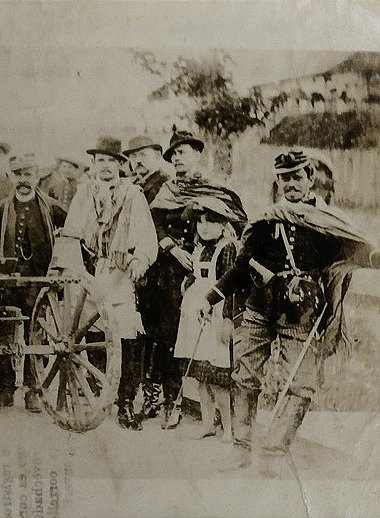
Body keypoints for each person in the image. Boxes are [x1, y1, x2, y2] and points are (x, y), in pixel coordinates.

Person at [199, 150, 380, 475]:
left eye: (296, 177)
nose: (291, 184)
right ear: (278, 181)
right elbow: (242, 266)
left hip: (302, 312)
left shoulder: (325, 221)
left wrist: (376, 258)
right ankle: (241, 448)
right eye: (284, 178)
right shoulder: (267, 219)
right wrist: (211, 297)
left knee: (302, 384)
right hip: (260, 308)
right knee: (245, 376)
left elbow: (350, 247)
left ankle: (274, 450)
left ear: (309, 179)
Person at [148, 128, 247, 428]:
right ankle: (172, 400)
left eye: (183, 152)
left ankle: (219, 408)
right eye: (173, 155)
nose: (178, 158)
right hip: (172, 271)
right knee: (170, 336)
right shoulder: (167, 191)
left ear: (196, 154)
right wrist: (173, 249)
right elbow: (153, 222)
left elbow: (239, 222)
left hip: (212, 271)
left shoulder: (215, 188)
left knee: (212, 342)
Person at [61, 136, 158, 430]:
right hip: (89, 270)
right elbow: (71, 233)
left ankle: (126, 402)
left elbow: (145, 235)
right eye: (100, 160)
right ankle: (101, 391)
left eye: (111, 161)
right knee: (91, 331)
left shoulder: (132, 195)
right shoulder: (84, 193)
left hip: (118, 271)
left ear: (120, 165)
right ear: (93, 164)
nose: (105, 166)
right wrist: (69, 267)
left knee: (126, 333)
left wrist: (140, 260)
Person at [0, 153, 68, 416]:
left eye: (28, 174)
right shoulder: (1, 210)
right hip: (7, 284)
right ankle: (6, 388)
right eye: (18, 175)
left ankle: (33, 390)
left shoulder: (52, 208)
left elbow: (71, 239)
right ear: (11, 176)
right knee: (3, 332)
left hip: (39, 284)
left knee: (35, 334)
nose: (23, 180)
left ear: (37, 176)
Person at [172, 198, 243, 442]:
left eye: (210, 222)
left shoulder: (228, 248)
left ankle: (229, 428)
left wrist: (227, 320)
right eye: (200, 222)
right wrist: (188, 284)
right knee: (201, 374)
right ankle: (207, 423)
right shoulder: (200, 248)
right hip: (195, 313)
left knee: (218, 377)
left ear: (223, 225)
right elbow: (196, 274)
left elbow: (231, 287)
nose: (203, 227)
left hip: (216, 312)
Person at [121, 134, 169, 420]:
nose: (137, 162)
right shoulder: (134, 187)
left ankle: (156, 396)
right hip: (142, 269)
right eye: (132, 157)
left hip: (165, 269)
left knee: (160, 335)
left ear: (157, 155)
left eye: (143, 155)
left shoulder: (164, 184)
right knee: (143, 332)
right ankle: (144, 395)